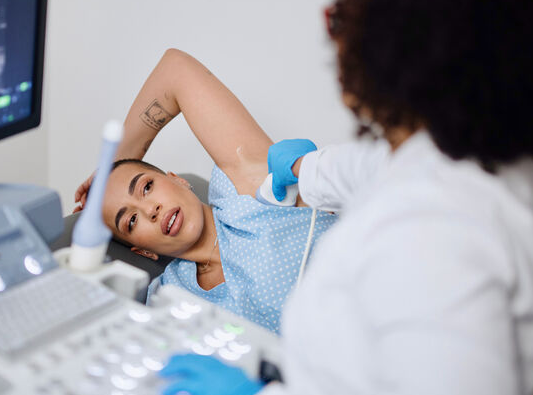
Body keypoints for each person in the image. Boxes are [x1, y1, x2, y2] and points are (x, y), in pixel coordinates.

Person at [156, 0, 533, 395]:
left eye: (341, 17)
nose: (333, 33)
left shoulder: (430, 233)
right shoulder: (498, 159)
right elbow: (382, 168)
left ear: (387, 52)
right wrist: (306, 169)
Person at [73, 49, 337, 333]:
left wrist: (113, 162)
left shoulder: (244, 190)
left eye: (147, 187)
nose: (150, 210)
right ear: (143, 251)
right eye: (131, 221)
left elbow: (175, 70)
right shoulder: (170, 298)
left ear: (177, 179)